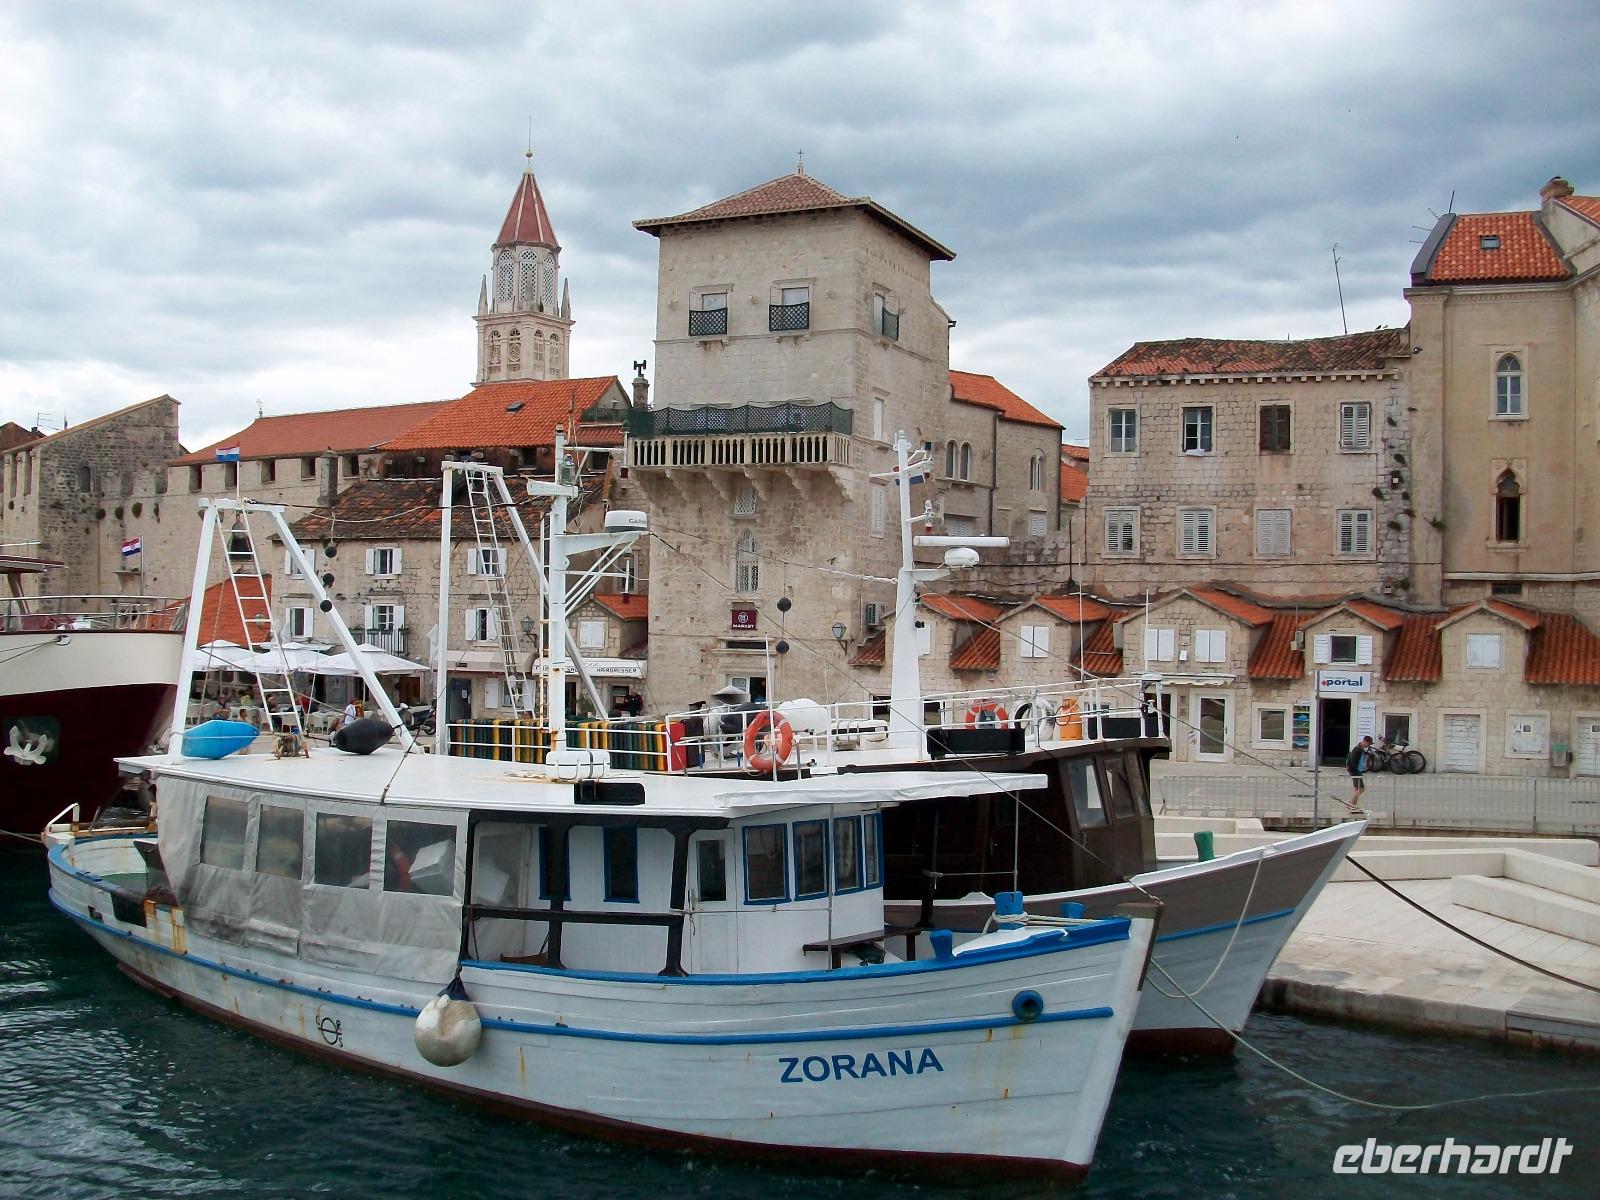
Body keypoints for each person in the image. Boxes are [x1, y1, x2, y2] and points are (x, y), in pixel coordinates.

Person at [1347, 735, 1373, 807]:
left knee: (1356, 788)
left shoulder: (1360, 748)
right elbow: (1352, 761)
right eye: (1369, 744)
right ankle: (1351, 804)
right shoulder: (1357, 749)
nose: (1368, 746)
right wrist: (1356, 771)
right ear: (1365, 741)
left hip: (1355, 770)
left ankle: (1352, 804)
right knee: (1362, 789)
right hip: (1355, 771)